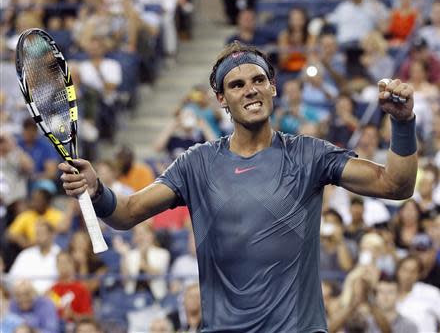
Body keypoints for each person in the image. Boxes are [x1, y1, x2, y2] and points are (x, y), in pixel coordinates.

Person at [60, 41, 418, 332]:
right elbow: (126, 214)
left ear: (273, 87)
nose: (250, 90)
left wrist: (403, 125)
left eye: (258, 80)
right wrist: (97, 190)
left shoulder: (309, 155)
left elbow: (396, 185)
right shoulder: (195, 163)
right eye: (237, 84)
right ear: (221, 99)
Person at [8, 221, 60, 294]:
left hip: (53, 296)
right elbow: (12, 278)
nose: (39, 236)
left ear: (52, 234)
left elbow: (65, 280)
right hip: (26, 298)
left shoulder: (60, 255)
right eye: (37, 233)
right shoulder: (25, 255)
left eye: (42, 233)